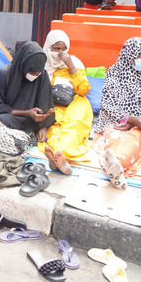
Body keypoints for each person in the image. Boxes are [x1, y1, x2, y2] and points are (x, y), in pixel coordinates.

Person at [92, 37, 141, 179]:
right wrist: (129, 118)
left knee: (136, 137)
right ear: (129, 55)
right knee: (115, 135)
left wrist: (137, 122)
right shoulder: (114, 72)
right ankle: (114, 166)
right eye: (140, 55)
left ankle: (118, 162)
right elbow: (107, 105)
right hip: (118, 120)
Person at [41, 30, 93, 175]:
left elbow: (83, 89)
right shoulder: (43, 65)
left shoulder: (74, 62)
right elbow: (39, 92)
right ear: (48, 47)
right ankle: (56, 157)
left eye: (64, 49)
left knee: (73, 124)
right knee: (54, 127)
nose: (60, 52)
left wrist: (71, 67)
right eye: (56, 49)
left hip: (76, 101)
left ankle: (61, 154)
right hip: (54, 103)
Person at [0, 41, 55, 147]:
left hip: (33, 120)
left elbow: (45, 103)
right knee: (1, 119)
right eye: (32, 72)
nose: (35, 75)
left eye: (38, 73)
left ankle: (27, 133)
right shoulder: (5, 74)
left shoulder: (42, 75)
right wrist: (26, 112)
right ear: (23, 65)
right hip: (12, 117)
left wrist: (43, 127)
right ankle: (27, 134)